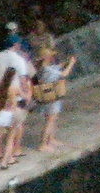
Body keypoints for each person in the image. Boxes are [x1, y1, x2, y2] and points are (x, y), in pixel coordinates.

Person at [0, 25, 31, 167]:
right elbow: (23, 80)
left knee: (0, 122)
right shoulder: (18, 60)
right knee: (16, 126)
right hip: (14, 95)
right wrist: (28, 93)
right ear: (15, 44)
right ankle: (14, 151)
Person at [31, 27, 75, 155]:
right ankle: (43, 144)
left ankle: (51, 139)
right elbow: (64, 74)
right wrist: (71, 63)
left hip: (52, 96)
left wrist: (64, 63)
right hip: (51, 96)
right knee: (50, 120)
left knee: (53, 118)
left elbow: (58, 67)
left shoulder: (45, 67)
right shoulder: (47, 70)